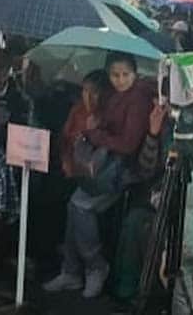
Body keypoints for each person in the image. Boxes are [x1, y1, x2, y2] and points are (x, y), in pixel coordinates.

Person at [45, 53, 153, 299]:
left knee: (79, 207)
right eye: (115, 75)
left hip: (126, 171)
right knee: (74, 206)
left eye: (126, 74)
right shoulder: (115, 96)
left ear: (135, 74)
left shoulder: (137, 100)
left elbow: (128, 144)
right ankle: (71, 271)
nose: (121, 79)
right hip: (108, 165)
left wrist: (95, 135)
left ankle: (95, 265)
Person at [59, 70, 110, 178]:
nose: (88, 97)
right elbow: (64, 138)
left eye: (94, 92)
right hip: (68, 169)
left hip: (93, 176)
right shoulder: (77, 110)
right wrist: (65, 160)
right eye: (85, 90)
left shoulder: (109, 116)